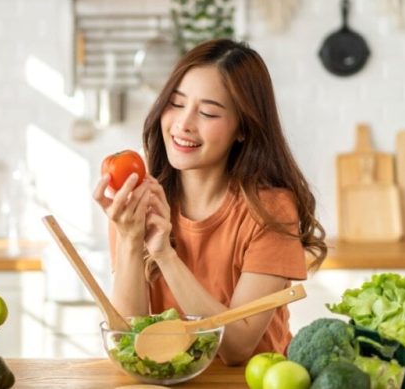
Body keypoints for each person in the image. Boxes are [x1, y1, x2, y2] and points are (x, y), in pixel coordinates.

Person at [93, 38, 327, 365]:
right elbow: (126, 343)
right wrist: (131, 239)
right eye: (175, 104)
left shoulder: (270, 211)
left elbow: (237, 348)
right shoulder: (139, 203)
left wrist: (165, 254)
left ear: (243, 128)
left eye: (207, 112)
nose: (183, 123)